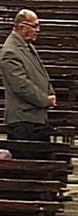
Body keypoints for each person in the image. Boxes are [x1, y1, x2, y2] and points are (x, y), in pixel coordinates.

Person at [1, 9, 56, 146]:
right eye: (34, 26)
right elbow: (21, 86)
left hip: (35, 119)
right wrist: (44, 100)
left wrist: (50, 93)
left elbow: (39, 74)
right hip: (23, 120)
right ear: (22, 27)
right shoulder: (10, 51)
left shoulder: (27, 46)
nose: (38, 30)